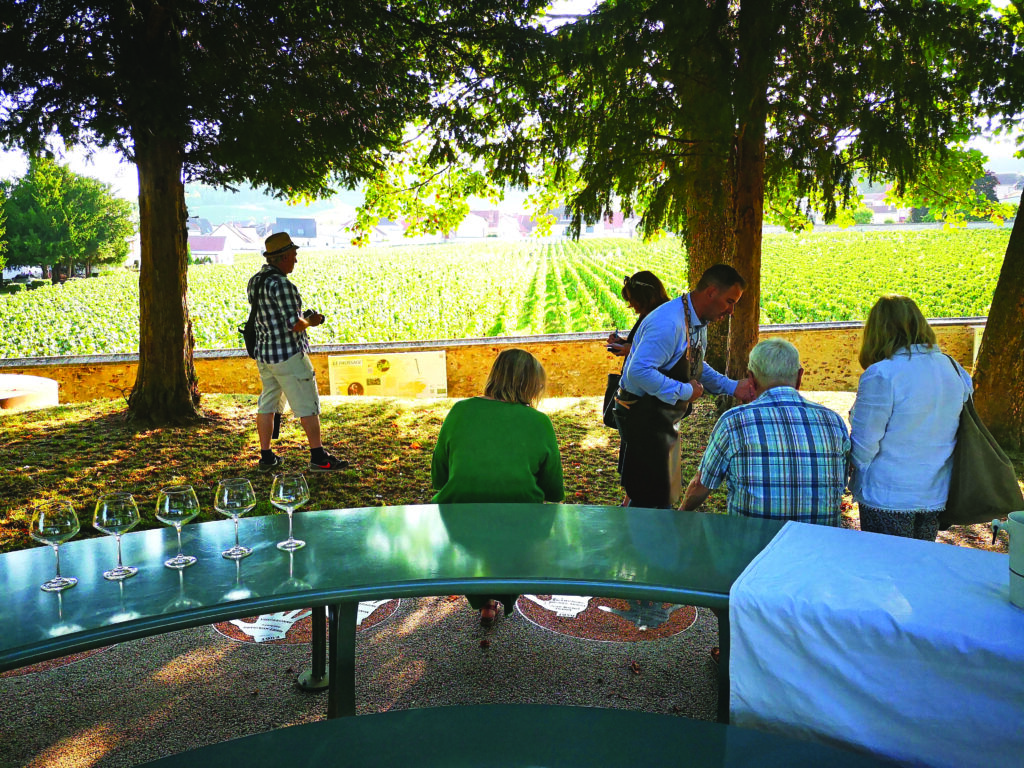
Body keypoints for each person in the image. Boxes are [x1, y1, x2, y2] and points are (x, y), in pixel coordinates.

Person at [431, 348, 564, 626]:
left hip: (458, 523)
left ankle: (484, 600)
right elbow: (553, 490)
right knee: (523, 535)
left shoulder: (460, 411)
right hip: (520, 527)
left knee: (480, 542)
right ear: (530, 384)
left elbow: (440, 477)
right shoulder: (539, 422)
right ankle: (501, 596)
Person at [612, 263, 755, 508]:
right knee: (650, 499)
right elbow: (638, 371)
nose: (731, 311)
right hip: (642, 419)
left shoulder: (696, 321)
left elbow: (696, 364)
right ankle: (641, 543)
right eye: (730, 301)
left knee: (664, 493)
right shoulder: (669, 323)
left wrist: (732, 387)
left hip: (664, 419)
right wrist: (686, 391)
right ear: (711, 292)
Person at [680, 338, 851, 525]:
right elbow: (840, 484)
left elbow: (701, 485)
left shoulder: (734, 422)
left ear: (751, 378)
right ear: (800, 376)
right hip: (816, 547)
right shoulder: (833, 421)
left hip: (752, 547)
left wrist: (680, 516)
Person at [849, 295, 972, 540]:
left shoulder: (882, 374)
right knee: (917, 568)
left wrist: (851, 470)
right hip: (935, 492)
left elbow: (865, 446)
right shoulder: (955, 369)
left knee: (884, 568)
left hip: (887, 494)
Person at [248, 232, 348, 472]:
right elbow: (294, 324)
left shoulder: (256, 280)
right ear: (282, 258)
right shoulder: (283, 285)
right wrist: (312, 321)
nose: (295, 260)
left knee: (268, 403)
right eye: (293, 255)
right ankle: (318, 457)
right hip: (289, 355)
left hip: (264, 354)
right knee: (307, 405)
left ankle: (266, 457)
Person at [605, 271, 671, 357]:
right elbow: (640, 345)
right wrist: (621, 343)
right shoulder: (646, 315)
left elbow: (659, 354)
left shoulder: (663, 319)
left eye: (632, 299)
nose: (631, 305)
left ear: (643, 297)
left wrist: (630, 350)